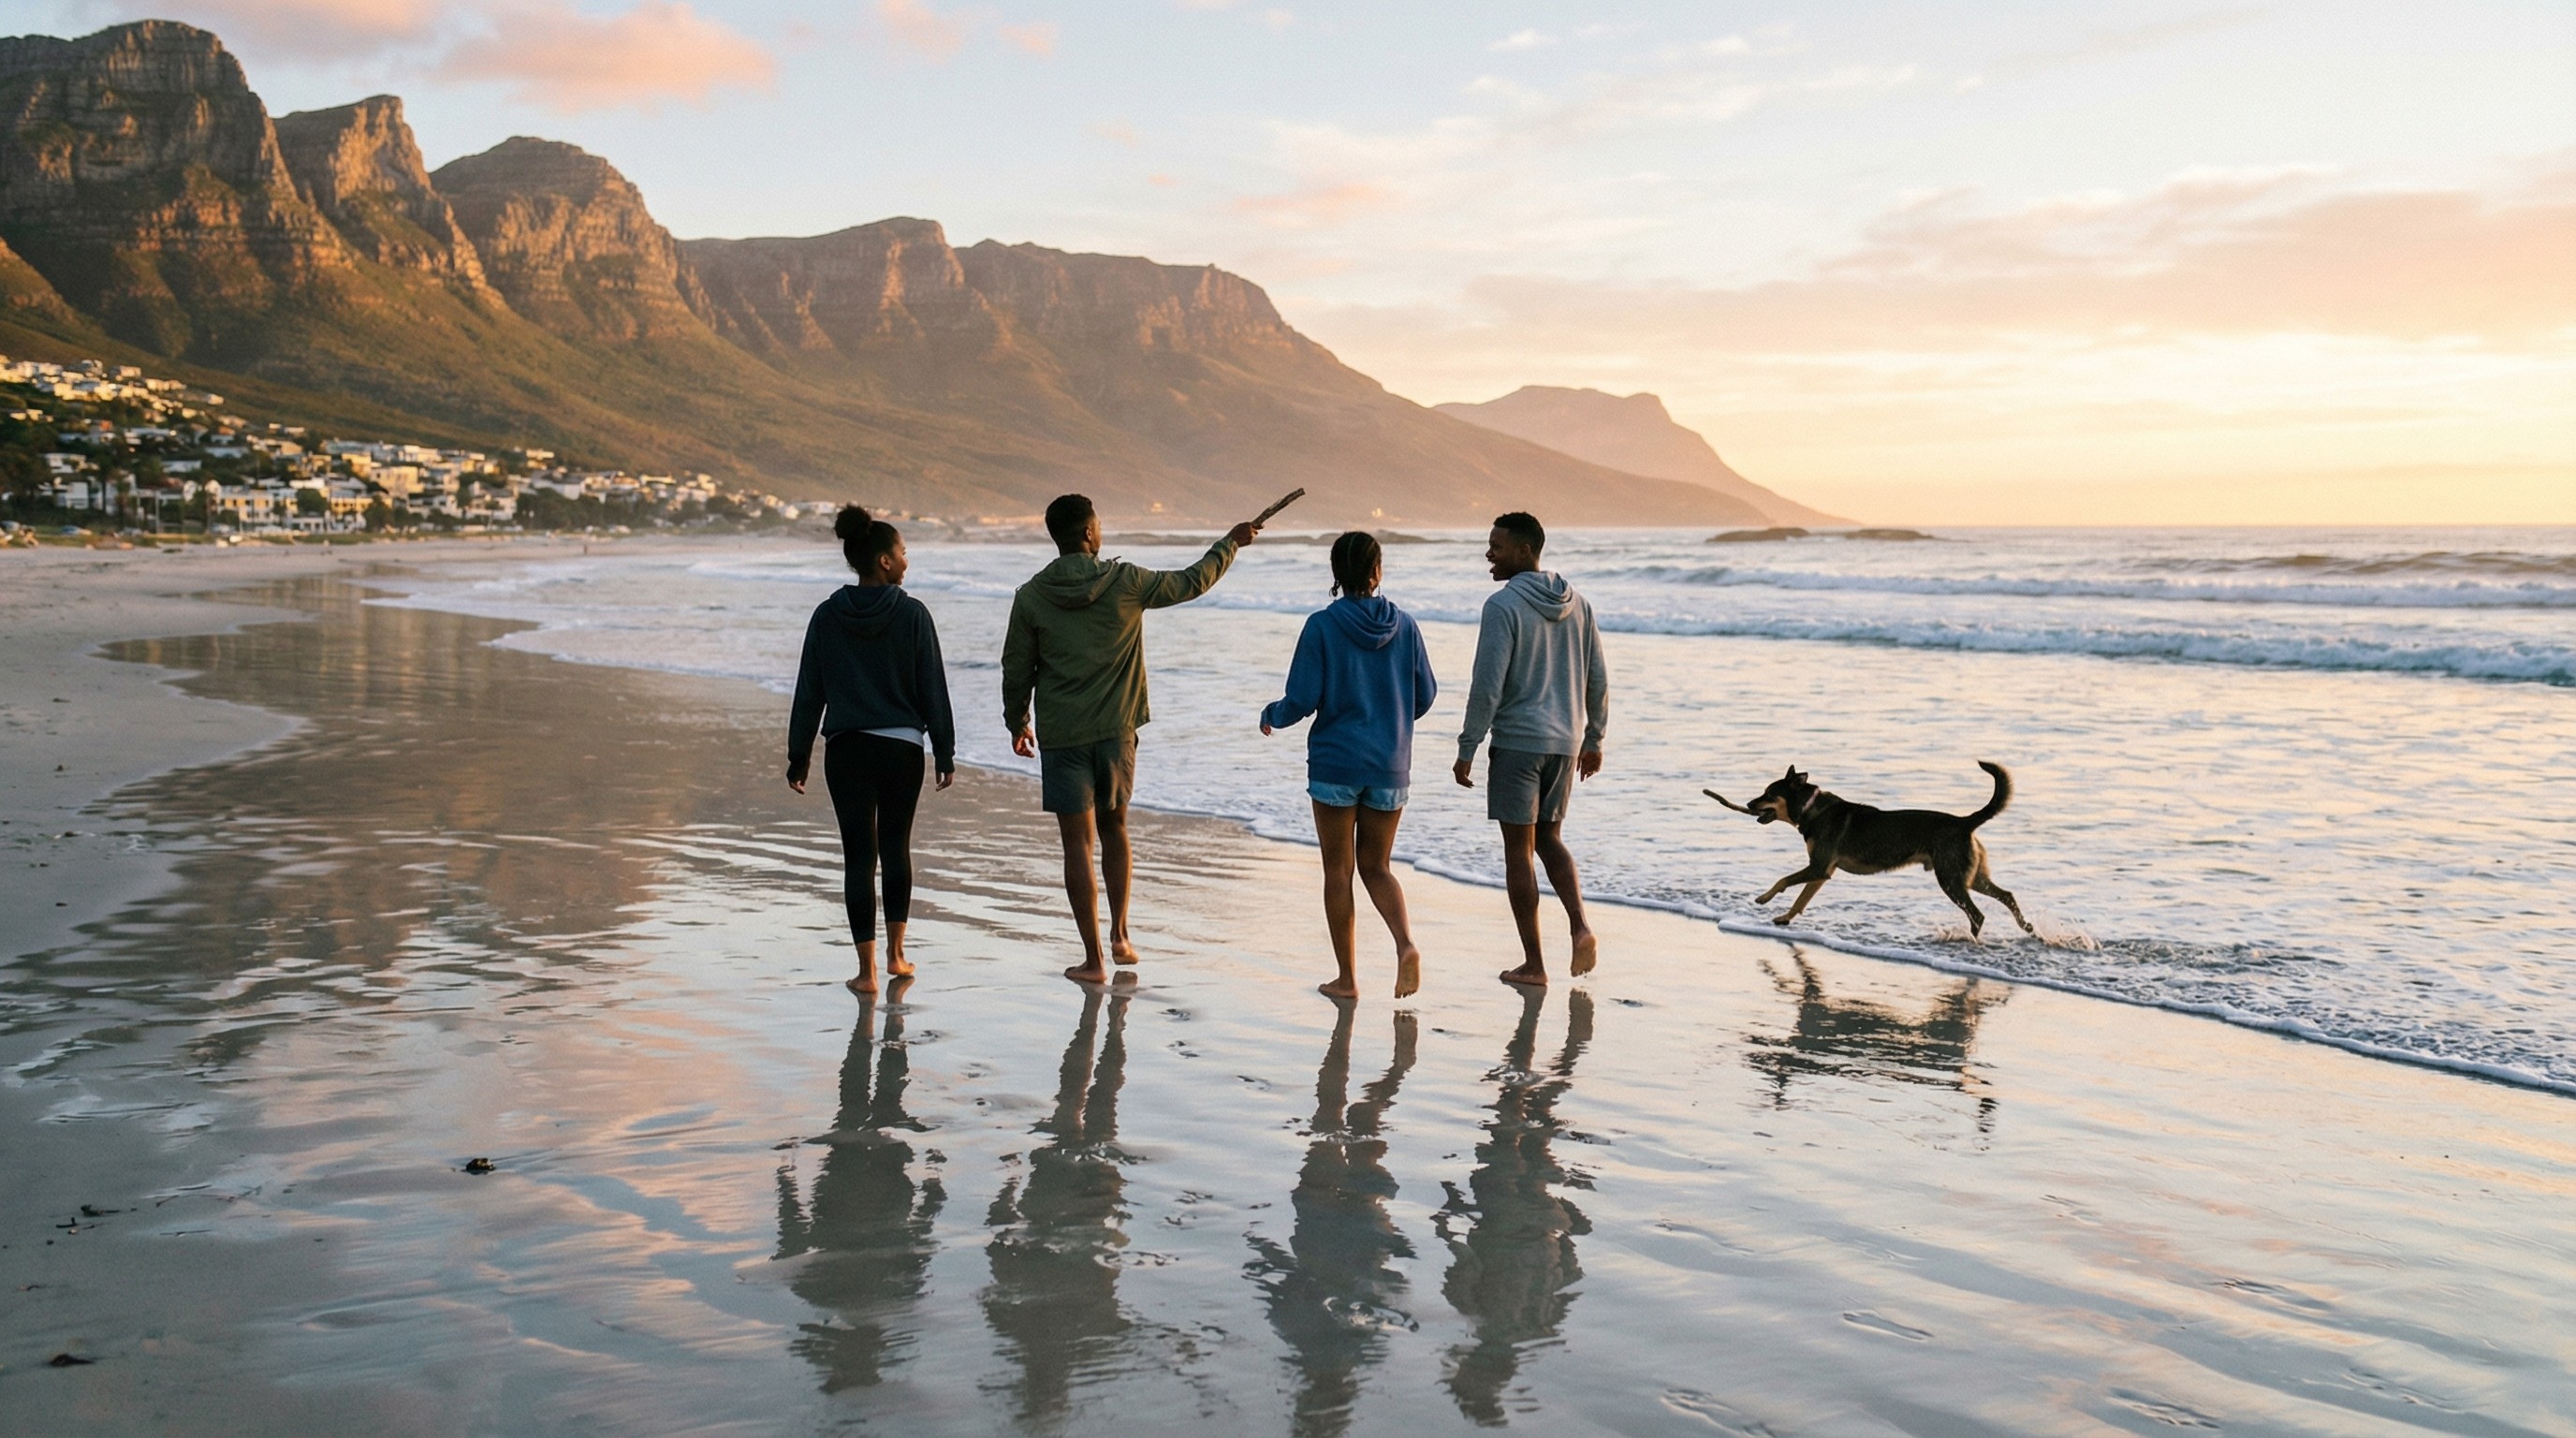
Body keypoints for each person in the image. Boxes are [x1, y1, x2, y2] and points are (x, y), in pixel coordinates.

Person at [1003, 493, 1263, 983]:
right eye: (1097, 526)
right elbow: (1191, 582)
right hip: (1116, 732)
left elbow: (1017, 667)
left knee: (1077, 846)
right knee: (1115, 829)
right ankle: (1122, 934)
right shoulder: (1125, 583)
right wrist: (1230, 544)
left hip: (1061, 734)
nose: (1100, 533)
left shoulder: (1032, 596)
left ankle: (1094, 960)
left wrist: (1017, 721)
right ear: (1087, 534)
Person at [787, 506, 957, 996]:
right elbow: (932, 688)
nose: (907, 559)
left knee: (858, 857)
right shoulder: (912, 613)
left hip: (846, 751)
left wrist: (799, 754)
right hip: (901, 750)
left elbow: (809, 691)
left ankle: (866, 972)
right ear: (883, 561)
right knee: (895, 848)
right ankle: (898, 955)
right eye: (902, 552)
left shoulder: (826, 615)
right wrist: (944, 750)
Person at [1261, 531, 1438, 999]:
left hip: (1336, 764)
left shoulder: (1321, 625)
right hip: (1389, 764)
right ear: (1378, 571)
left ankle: (1347, 978)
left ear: (1337, 574)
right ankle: (1404, 945)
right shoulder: (1407, 626)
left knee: (1338, 871)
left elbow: (1301, 699)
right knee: (1377, 866)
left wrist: (1272, 715)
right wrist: (1391, 715)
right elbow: (1426, 696)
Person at [1451, 511, 1607, 987]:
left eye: (1496, 545)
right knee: (1550, 839)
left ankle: (1535, 964)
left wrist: (1467, 746)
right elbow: (1598, 677)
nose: (1488, 553)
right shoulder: (1577, 603)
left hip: (1518, 743)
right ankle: (1580, 926)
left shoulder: (1502, 606)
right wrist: (1595, 738)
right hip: (1565, 743)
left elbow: (1487, 685)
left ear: (1524, 550)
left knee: (1519, 851)